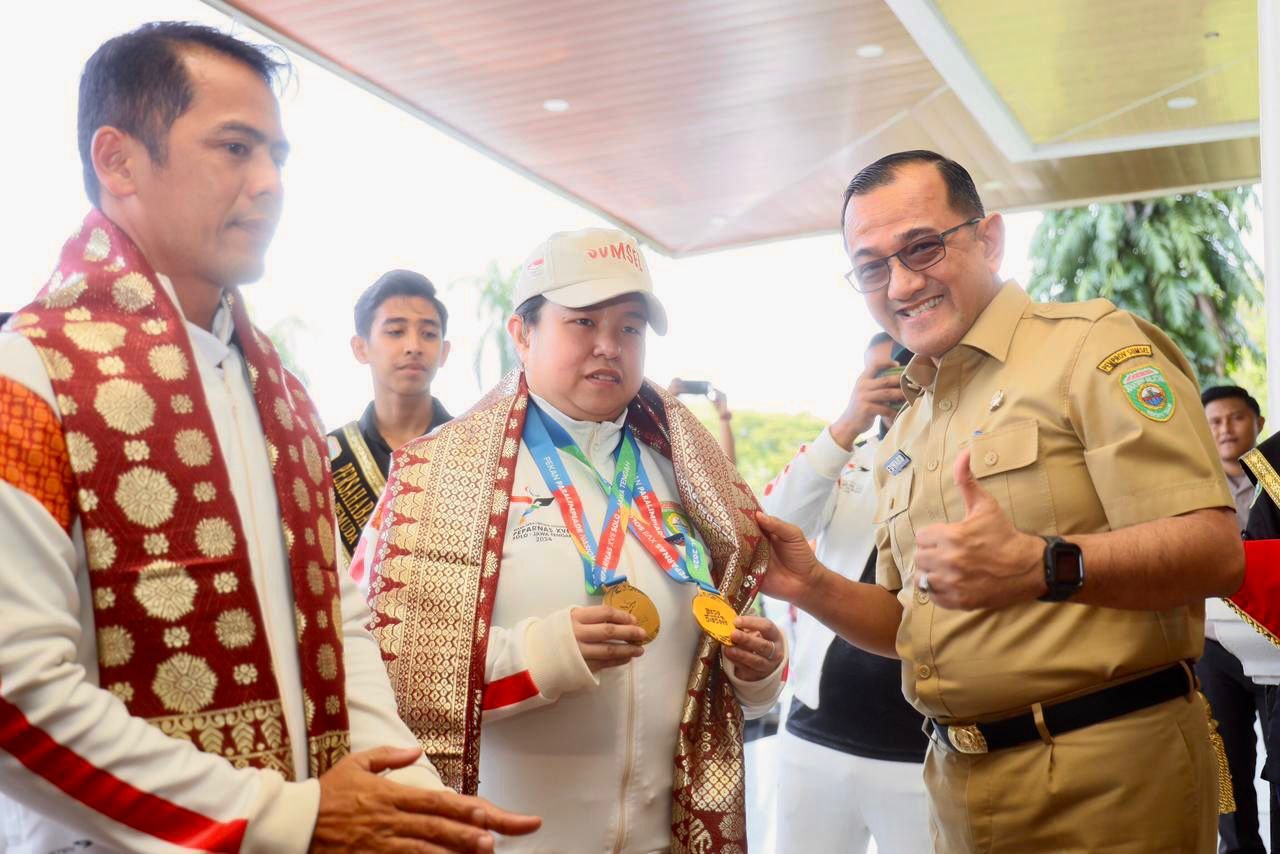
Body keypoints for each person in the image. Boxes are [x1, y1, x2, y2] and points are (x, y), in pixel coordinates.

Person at [0, 22, 537, 853]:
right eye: (236, 149)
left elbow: (336, 622)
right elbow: (14, 691)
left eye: (277, 156)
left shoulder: (277, 392)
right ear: (118, 160)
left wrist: (416, 806)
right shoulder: (29, 375)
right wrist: (289, 818)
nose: (271, 183)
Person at [757, 149, 1243, 853]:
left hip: (1107, 777)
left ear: (988, 238)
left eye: (922, 247)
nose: (901, 283)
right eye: (872, 266)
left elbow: (1213, 551)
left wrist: (1044, 566)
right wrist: (811, 586)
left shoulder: (1089, 349)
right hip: (957, 784)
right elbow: (911, 624)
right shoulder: (911, 422)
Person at [351, 227, 788, 851]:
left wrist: (757, 673)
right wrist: (547, 654)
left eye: (630, 327)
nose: (609, 346)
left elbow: (723, 674)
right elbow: (382, 672)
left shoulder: (690, 474)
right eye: (583, 322)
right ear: (522, 333)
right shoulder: (435, 474)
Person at [762, 331, 929, 854]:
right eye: (879, 373)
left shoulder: (965, 455)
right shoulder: (847, 458)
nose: (895, 384)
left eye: (905, 369)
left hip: (924, 745)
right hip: (816, 730)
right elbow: (774, 526)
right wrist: (847, 424)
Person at [329, 269, 452, 562]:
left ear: (444, 352)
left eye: (429, 334)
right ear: (361, 348)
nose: (414, 346)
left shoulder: (477, 450)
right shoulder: (326, 459)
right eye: (396, 332)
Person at [1200, 384, 1271, 853]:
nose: (1226, 429)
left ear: (1258, 423)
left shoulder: (1274, 479)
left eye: (1237, 418)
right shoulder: (1195, 490)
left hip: (1274, 643)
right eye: (1215, 422)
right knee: (1226, 762)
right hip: (1214, 647)